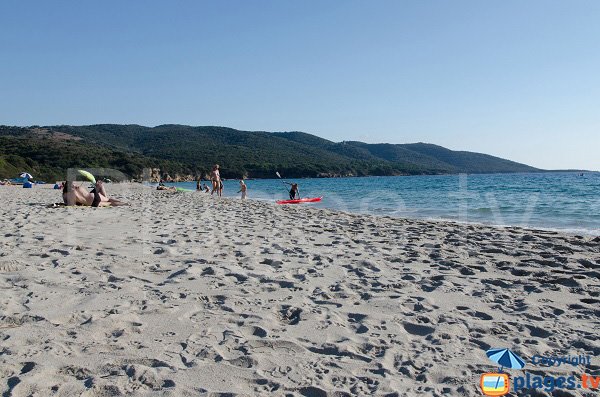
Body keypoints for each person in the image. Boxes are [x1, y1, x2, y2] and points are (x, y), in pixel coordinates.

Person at [63, 180, 127, 207]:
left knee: (109, 203)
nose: (75, 185)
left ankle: (124, 204)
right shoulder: (77, 188)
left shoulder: (66, 193)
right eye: (73, 184)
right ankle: (125, 203)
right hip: (93, 196)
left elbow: (72, 205)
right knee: (108, 200)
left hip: (91, 201)